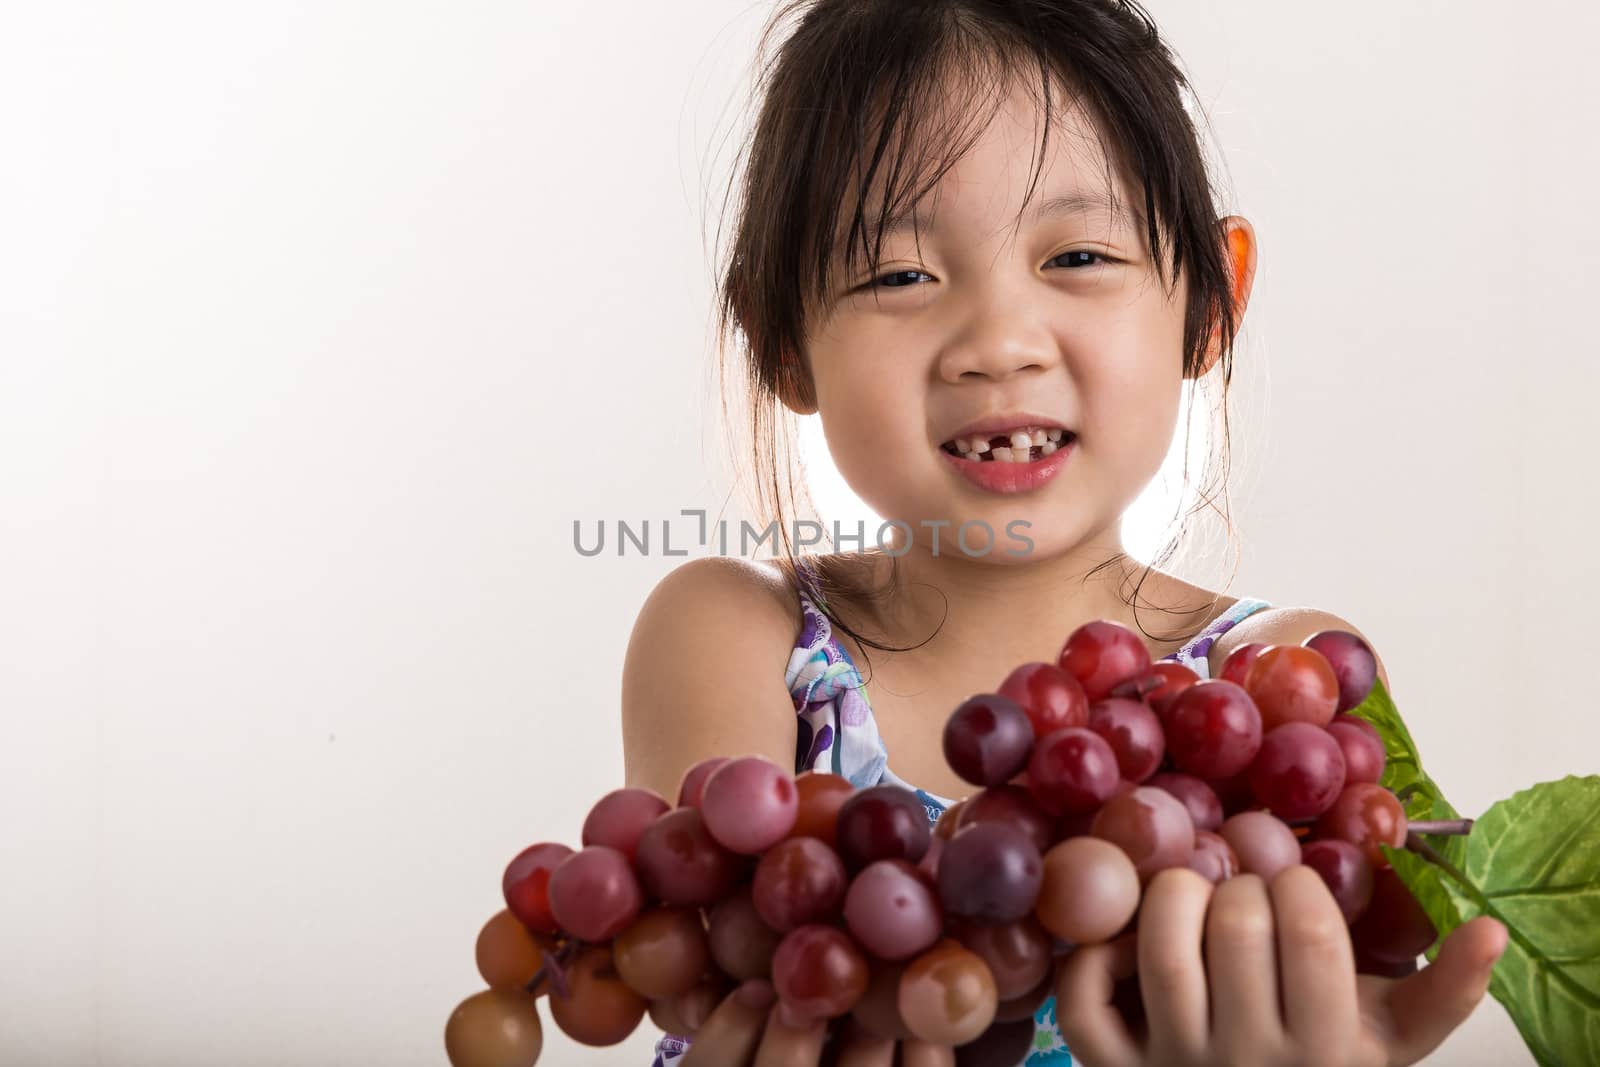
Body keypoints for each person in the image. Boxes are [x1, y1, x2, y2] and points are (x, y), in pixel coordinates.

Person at [621, 1, 1507, 1063]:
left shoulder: (1275, 689)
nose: (996, 342)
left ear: (1211, 302)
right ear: (783, 346)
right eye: (899, 274)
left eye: (1079, 255)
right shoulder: (736, 637)